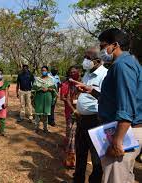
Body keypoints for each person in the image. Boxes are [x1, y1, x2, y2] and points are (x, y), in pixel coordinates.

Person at [73, 28, 142, 183]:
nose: (102, 50)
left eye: (103, 46)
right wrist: (93, 92)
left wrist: (118, 140)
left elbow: (126, 105)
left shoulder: (122, 65)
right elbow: (116, 99)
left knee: (115, 178)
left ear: (115, 45)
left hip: (123, 132)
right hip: (123, 130)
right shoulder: (128, 62)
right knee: (124, 177)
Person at [73, 48, 107, 183]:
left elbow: (107, 99)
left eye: (88, 58)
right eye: (84, 57)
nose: (85, 60)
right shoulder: (87, 73)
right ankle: (78, 179)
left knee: (96, 157)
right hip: (81, 119)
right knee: (80, 152)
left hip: (96, 120)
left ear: (98, 61)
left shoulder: (106, 75)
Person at [60, 65, 81, 168]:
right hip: (71, 114)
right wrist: (74, 110)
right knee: (71, 136)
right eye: (71, 72)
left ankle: (77, 158)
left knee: (77, 137)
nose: (73, 74)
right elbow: (64, 98)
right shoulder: (66, 84)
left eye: (75, 72)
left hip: (82, 114)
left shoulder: (82, 84)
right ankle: (70, 161)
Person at [32, 66, 56, 133]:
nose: (43, 71)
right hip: (39, 98)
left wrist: (48, 89)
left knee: (46, 114)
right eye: (42, 70)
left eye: (45, 70)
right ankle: (36, 127)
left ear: (47, 71)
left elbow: (54, 89)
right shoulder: (37, 79)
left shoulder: (51, 80)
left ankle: (45, 128)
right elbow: (33, 89)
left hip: (47, 98)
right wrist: (40, 88)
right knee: (37, 114)